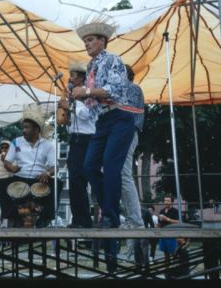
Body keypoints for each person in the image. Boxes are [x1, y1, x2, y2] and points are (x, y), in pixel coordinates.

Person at [71, 15, 136, 272]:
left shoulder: (113, 60)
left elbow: (115, 90)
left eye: (90, 40)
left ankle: (110, 215)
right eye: (85, 40)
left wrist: (84, 92)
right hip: (102, 122)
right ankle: (110, 210)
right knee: (88, 166)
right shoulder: (90, 67)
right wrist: (76, 100)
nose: (86, 44)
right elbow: (90, 105)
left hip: (120, 117)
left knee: (111, 166)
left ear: (102, 41)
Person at [0, 103, 62, 228]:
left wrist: (47, 173)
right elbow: (7, 162)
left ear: (36, 130)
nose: (24, 130)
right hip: (20, 177)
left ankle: (46, 217)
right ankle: (12, 214)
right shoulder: (16, 141)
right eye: (23, 127)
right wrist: (12, 168)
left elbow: (55, 166)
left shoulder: (47, 145)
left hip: (39, 178)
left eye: (27, 127)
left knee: (58, 183)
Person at [58, 60, 94, 228]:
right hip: (76, 139)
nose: (69, 79)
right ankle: (79, 219)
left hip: (86, 139)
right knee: (74, 181)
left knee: (79, 179)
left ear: (80, 78)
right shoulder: (72, 95)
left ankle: (85, 219)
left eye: (72, 76)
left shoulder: (88, 93)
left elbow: (87, 115)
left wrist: (70, 106)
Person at [120, 64, 145, 229]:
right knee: (120, 175)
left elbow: (128, 112)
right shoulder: (125, 89)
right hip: (123, 133)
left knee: (124, 174)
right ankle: (132, 219)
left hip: (127, 133)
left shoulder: (133, 88)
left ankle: (135, 220)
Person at [158, 195, 179, 278]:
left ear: (172, 202)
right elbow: (160, 223)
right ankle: (166, 271)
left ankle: (175, 271)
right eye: (165, 201)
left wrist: (167, 219)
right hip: (163, 235)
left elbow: (178, 222)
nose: (166, 202)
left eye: (168, 201)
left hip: (172, 235)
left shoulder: (175, 211)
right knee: (166, 255)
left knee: (174, 254)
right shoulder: (161, 211)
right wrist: (157, 225)